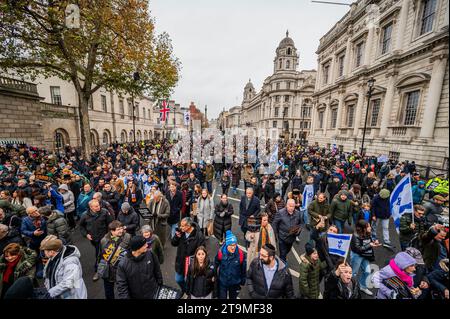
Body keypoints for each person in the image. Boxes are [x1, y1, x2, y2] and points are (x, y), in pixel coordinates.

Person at [79, 199, 113, 281]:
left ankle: (98, 270)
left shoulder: (104, 212)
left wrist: (110, 234)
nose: (99, 207)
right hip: (94, 238)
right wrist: (86, 234)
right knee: (99, 252)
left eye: (99, 205)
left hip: (104, 237)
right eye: (96, 206)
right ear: (91, 207)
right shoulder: (85, 215)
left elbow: (111, 223)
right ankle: (102, 267)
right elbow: (81, 226)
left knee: (100, 253)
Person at [171, 217, 205, 292]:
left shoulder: (199, 236)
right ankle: (185, 290)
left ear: (189, 226)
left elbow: (202, 252)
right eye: (181, 225)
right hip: (180, 262)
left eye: (183, 226)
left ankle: (188, 292)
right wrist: (177, 237)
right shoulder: (181, 232)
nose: (180, 227)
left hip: (190, 265)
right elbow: (173, 243)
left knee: (189, 281)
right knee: (178, 279)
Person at [99, 221, 131, 299]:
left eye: (121, 228)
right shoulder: (104, 241)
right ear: (112, 231)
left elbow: (130, 250)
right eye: (118, 229)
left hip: (122, 268)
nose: (121, 231)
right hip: (109, 270)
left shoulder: (126, 237)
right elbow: (101, 255)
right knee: (109, 290)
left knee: (125, 289)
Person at [350, 219, 381, 296]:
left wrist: (374, 242)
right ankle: (350, 289)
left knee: (367, 271)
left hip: (365, 255)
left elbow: (368, 241)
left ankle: (362, 286)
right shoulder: (355, 236)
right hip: (357, 256)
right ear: (363, 228)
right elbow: (358, 249)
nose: (370, 227)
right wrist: (370, 245)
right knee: (353, 273)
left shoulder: (366, 232)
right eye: (368, 226)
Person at [215, 230, 247, 299]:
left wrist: (242, 281)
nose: (233, 247)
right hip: (223, 282)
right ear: (227, 245)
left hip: (235, 283)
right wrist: (214, 277)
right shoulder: (220, 252)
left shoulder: (241, 254)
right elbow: (216, 264)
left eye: (234, 245)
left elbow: (243, 269)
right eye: (231, 245)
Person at [272, 199, 303, 263]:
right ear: (286, 205)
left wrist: (298, 232)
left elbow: (301, 224)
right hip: (282, 237)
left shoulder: (298, 213)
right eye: (290, 206)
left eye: (293, 206)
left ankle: (283, 258)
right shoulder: (280, 213)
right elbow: (274, 224)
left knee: (287, 251)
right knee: (283, 254)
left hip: (291, 238)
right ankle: (282, 267)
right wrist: (274, 235)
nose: (292, 208)